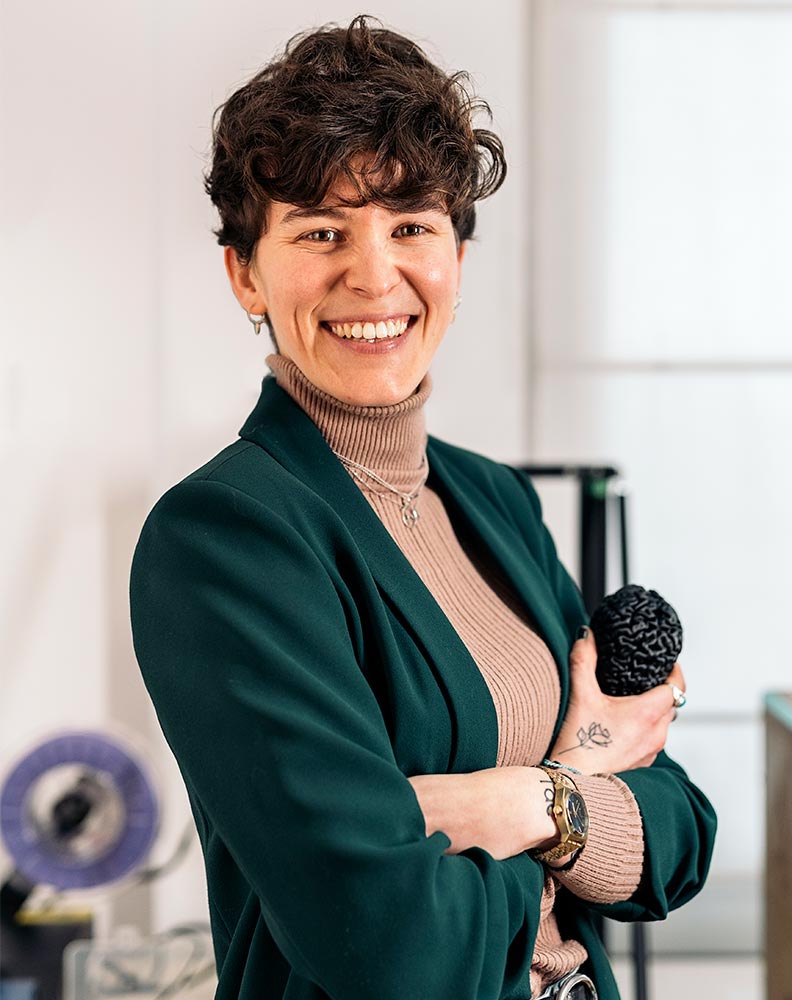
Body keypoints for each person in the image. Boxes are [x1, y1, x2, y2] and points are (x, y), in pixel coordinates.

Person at [129, 16, 716, 1000]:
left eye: (411, 226)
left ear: (457, 257)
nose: (373, 274)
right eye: (320, 231)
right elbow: (391, 945)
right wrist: (579, 802)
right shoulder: (224, 538)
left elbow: (681, 835)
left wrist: (522, 801)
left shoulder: (496, 500)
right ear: (245, 274)